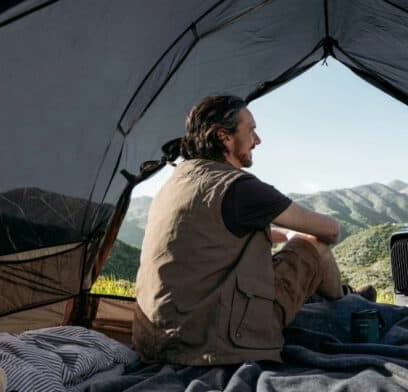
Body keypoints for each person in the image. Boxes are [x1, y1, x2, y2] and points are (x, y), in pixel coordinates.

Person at [133, 95, 369, 366]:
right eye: (251, 130)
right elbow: (331, 230)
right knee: (313, 247)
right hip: (211, 345)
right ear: (225, 137)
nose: (258, 140)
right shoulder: (239, 187)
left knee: (284, 247)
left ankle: (340, 298)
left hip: (154, 341)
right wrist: (297, 236)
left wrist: (283, 235)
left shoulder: (178, 181)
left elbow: (224, 230)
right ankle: (349, 308)